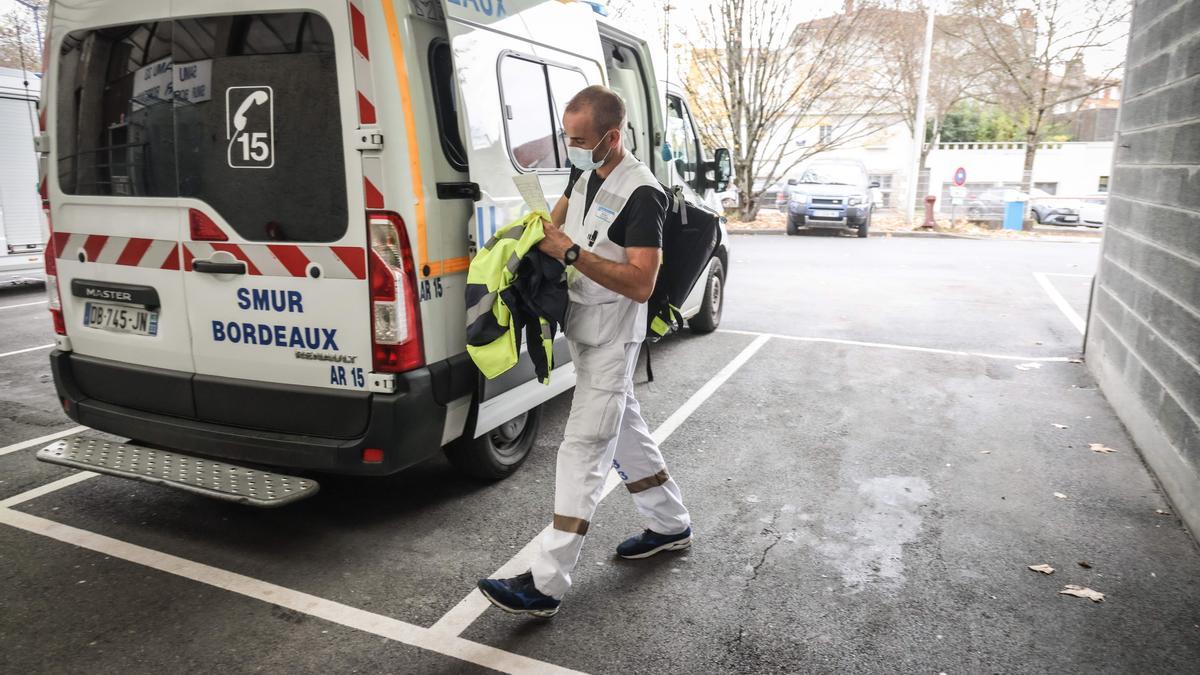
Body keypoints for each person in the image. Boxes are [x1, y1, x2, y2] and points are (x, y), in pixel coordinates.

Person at [477, 85, 692, 618]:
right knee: (624, 430)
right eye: (566, 138)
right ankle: (670, 525)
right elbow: (559, 220)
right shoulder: (584, 170)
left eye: (578, 140)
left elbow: (642, 283)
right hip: (583, 327)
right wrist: (536, 234)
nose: (569, 148)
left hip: (614, 339)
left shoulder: (643, 195)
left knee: (583, 449)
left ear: (610, 138)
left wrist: (568, 250)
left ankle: (545, 585)